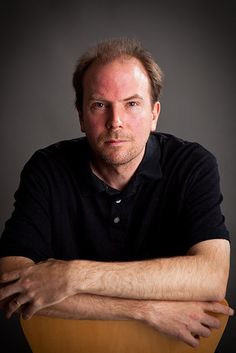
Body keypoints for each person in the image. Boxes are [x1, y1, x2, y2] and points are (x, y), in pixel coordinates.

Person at [0, 38, 234, 348]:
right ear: (81, 116)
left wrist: (73, 276)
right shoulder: (46, 169)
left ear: (154, 113)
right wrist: (145, 309)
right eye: (99, 105)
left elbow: (211, 278)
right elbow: (13, 284)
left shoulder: (193, 165)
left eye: (132, 103)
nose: (116, 122)